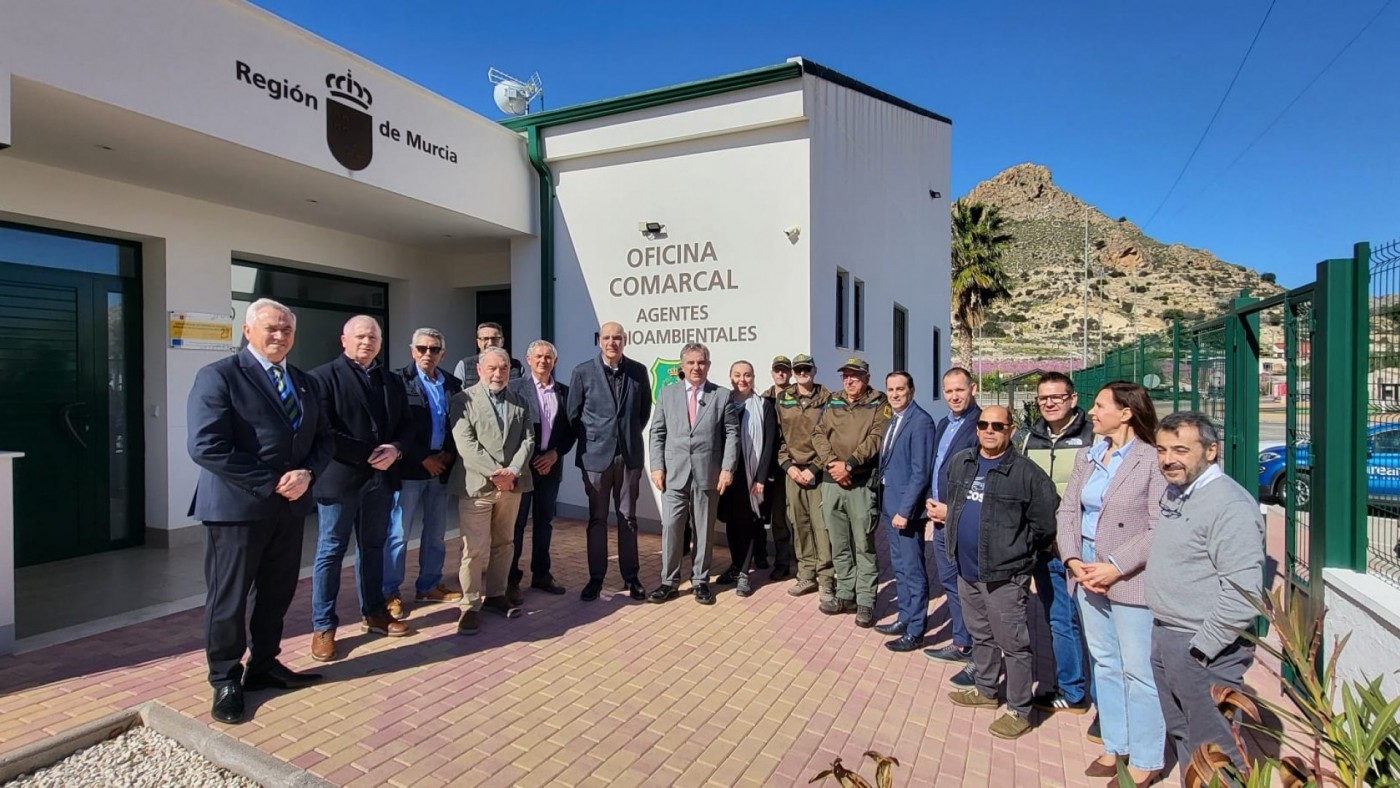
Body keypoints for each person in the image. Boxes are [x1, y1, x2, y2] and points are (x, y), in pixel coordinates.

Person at [188, 298, 332, 725]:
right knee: (229, 598)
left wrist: (308, 473)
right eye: (271, 328)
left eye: (287, 330)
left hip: (289, 509)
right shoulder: (219, 376)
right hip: (236, 509)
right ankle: (225, 678)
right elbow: (206, 446)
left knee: (276, 592)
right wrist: (271, 481)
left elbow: (324, 438)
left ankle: (264, 664)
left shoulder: (304, 382)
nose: (280, 336)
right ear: (248, 330)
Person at [1057, 382, 1168, 786]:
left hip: (1129, 575)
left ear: (1125, 413)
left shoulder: (1151, 459)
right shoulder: (1089, 455)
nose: (1092, 411)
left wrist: (1114, 567)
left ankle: (1146, 757)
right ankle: (1115, 744)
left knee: (1138, 670)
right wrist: (1073, 559)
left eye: (1100, 405)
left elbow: (1158, 527)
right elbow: (1068, 511)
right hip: (1086, 568)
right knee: (1104, 661)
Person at [1147, 412, 1265, 779]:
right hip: (1168, 636)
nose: (1168, 459)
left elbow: (1244, 593)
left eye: (1181, 450)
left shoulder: (1229, 505)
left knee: (1216, 751)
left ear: (1211, 451)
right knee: (1185, 737)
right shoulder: (1179, 491)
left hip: (1204, 649)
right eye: (1162, 450)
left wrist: (1201, 649)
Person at [931, 405, 1059, 740]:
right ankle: (987, 689)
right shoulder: (962, 462)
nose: (989, 430)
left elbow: (1045, 525)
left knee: (1014, 645)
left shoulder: (1026, 474)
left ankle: (1019, 709)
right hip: (966, 569)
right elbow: (955, 505)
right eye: (984, 424)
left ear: (1011, 430)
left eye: (998, 426)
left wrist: (1019, 554)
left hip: (1004, 575)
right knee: (981, 634)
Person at [308, 315, 413, 663]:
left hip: (380, 481)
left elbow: (407, 425)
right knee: (331, 552)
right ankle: (324, 626)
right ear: (344, 340)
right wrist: (369, 454)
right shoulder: (323, 377)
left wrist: (396, 449)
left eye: (373, 337)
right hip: (341, 480)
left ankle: (374, 612)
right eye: (360, 336)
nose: (367, 342)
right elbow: (323, 430)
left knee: (373, 548)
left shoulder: (391, 380)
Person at [1021, 372, 1095, 720]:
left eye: (1057, 397)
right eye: (1043, 398)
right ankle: (1072, 690)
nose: (1049, 403)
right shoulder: (1030, 438)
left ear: (1073, 399)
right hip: (1044, 545)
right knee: (1059, 618)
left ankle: (1100, 699)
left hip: (1082, 545)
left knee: (1093, 622)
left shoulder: (1092, 437)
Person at [448, 347, 535, 635]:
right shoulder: (463, 400)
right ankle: (470, 605)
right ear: (480, 370)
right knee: (473, 549)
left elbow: (528, 440)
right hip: (477, 486)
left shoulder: (519, 401)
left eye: (504, 368)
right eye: (492, 368)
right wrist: (496, 473)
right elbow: (465, 443)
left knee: (504, 543)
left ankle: (496, 594)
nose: (498, 374)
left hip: (511, 485)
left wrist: (513, 471)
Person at [647, 343, 739, 605]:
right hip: (674, 473)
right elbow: (657, 432)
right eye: (691, 363)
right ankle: (669, 582)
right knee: (671, 527)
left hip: (707, 473)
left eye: (701, 362)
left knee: (704, 530)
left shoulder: (721, 395)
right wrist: (656, 466)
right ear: (682, 366)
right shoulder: (667, 393)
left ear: (708, 365)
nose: (696, 367)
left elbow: (732, 433)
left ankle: (700, 581)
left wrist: (727, 468)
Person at [566, 322, 651, 601]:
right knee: (597, 519)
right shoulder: (582, 372)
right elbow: (573, 415)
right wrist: (595, 439)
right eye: (606, 338)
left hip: (628, 455)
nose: (612, 342)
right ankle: (596, 578)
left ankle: (631, 577)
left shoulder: (638, 371)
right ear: (598, 341)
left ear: (624, 340)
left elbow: (643, 413)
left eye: (617, 338)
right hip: (595, 458)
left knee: (628, 518)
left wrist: (624, 436)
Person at [383, 328, 464, 621]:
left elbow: (459, 424)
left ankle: (429, 585)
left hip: (441, 469)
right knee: (398, 534)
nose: (428, 353)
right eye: (422, 348)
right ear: (412, 350)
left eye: (434, 349)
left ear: (443, 353)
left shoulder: (453, 384)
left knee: (436, 532)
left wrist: (448, 454)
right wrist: (422, 458)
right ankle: (389, 592)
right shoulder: (397, 381)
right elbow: (395, 426)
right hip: (409, 469)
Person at [812, 357, 890, 628]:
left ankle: (866, 600)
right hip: (832, 481)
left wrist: (849, 465)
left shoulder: (879, 403)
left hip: (860, 482)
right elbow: (818, 434)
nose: (849, 380)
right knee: (839, 542)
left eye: (855, 376)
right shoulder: (833, 401)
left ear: (867, 378)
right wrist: (833, 464)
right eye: (845, 375)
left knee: (863, 545)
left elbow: (876, 438)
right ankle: (846, 593)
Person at [924, 368, 983, 686]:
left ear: (973, 389)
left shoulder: (982, 425)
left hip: (964, 520)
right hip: (939, 519)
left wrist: (954, 510)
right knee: (950, 582)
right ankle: (962, 642)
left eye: (960, 390)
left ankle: (981, 656)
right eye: (948, 391)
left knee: (972, 588)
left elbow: (984, 479)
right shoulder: (944, 424)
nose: (954, 396)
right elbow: (937, 468)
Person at [506, 340, 576, 602]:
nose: (543, 361)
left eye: (548, 357)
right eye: (538, 356)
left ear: (555, 362)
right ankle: (510, 578)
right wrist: (529, 457)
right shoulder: (514, 388)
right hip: (523, 467)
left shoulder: (564, 392)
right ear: (528, 359)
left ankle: (541, 573)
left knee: (544, 522)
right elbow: (508, 429)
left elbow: (570, 430)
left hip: (551, 467)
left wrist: (555, 454)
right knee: (517, 524)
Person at [872, 371, 935, 652]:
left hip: (905, 511)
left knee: (913, 569)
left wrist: (905, 511)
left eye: (900, 389)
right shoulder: (893, 419)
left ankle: (916, 630)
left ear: (911, 390)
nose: (895, 394)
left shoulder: (921, 422)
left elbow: (921, 473)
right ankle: (905, 617)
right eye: (891, 389)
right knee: (899, 566)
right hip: (890, 503)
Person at [774, 355, 834, 601]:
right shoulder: (783, 399)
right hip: (793, 472)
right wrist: (788, 466)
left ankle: (826, 578)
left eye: (806, 368)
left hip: (818, 472)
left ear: (814, 370)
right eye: (798, 369)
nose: (802, 373)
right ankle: (806, 574)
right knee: (799, 525)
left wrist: (816, 467)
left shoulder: (829, 399)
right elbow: (778, 437)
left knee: (822, 527)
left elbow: (832, 438)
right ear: (793, 372)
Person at [716, 361, 778, 598]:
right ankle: (735, 565)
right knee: (732, 522)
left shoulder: (764, 406)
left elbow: (770, 444)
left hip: (751, 475)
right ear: (730, 377)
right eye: (737, 375)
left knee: (749, 523)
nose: (742, 379)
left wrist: (761, 478)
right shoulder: (723, 402)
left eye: (747, 375)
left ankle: (743, 573)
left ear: (754, 377)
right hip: (728, 474)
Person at [758, 356, 795, 579]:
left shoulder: (797, 397)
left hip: (787, 465)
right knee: (761, 514)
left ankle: (784, 562)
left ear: (790, 373)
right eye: (777, 370)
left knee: (782, 517)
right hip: (766, 464)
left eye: (784, 370)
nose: (781, 374)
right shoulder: (764, 398)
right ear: (772, 372)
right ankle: (761, 555)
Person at [452, 321, 523, 386]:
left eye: (494, 338)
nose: (490, 343)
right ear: (478, 342)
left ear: (502, 341)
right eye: (485, 339)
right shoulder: (464, 366)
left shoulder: (517, 366)